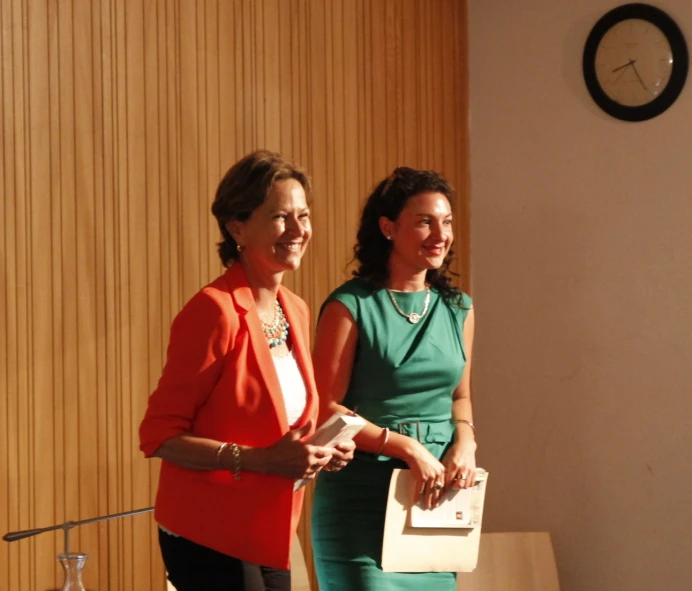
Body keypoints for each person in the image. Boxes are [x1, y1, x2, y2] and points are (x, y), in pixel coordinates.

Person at [138, 150, 354, 591]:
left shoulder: (293, 308)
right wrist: (262, 461)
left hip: (269, 528)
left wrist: (319, 450)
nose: (298, 231)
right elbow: (158, 435)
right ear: (237, 226)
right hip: (207, 530)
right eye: (280, 217)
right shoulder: (213, 311)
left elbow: (276, 424)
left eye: (304, 215)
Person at [310, 166, 478, 590]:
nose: (440, 234)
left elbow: (460, 397)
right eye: (424, 221)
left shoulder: (459, 308)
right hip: (361, 502)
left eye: (447, 222)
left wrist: (467, 443)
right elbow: (325, 412)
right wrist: (406, 448)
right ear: (388, 228)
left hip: (431, 505)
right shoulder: (349, 305)